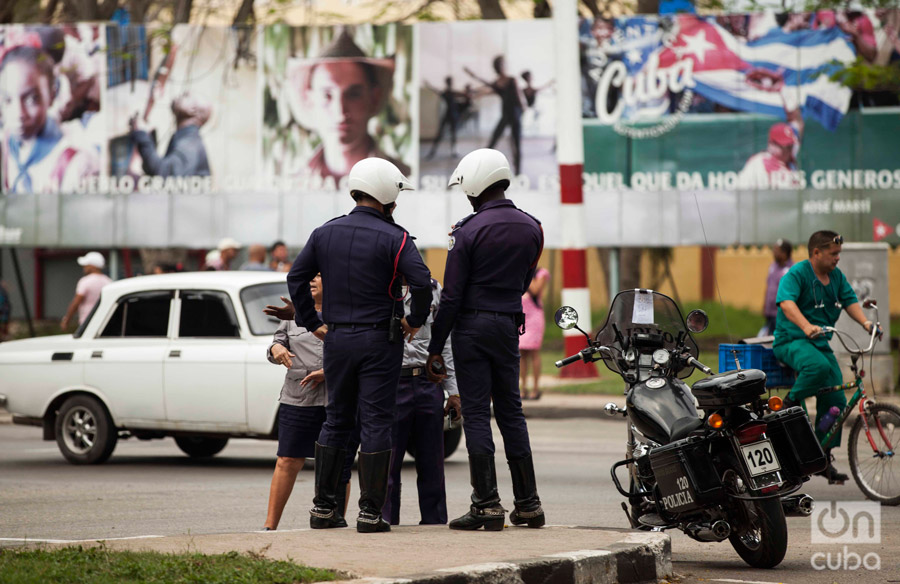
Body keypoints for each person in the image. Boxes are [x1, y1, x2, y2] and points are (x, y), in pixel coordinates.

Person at [286, 157, 432, 533]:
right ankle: (370, 513)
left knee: (336, 419)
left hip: (336, 340)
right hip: (380, 341)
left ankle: (323, 510)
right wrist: (414, 322)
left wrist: (312, 322)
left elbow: (296, 277)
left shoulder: (325, 232)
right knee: (376, 422)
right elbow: (422, 283)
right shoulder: (396, 237)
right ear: (385, 195)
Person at [426, 148, 545, 532]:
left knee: (477, 413)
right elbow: (525, 282)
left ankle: (487, 505)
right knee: (512, 412)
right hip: (509, 326)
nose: (467, 196)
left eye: (467, 189)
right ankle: (528, 505)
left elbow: (452, 296)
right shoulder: (533, 227)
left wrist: (434, 346)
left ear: (477, 183)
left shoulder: (468, 231)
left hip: (472, 328)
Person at [773, 231, 879, 484]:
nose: (837, 258)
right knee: (817, 366)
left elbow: (850, 300)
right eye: (833, 254)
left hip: (820, 343)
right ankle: (789, 405)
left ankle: (820, 456)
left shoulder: (836, 278)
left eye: (838, 253)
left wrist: (867, 324)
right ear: (816, 253)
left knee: (835, 401)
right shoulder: (798, 273)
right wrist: (806, 325)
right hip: (793, 340)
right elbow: (786, 304)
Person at [383, 278, 461, 526]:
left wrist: (454, 391)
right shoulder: (379, 285)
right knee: (387, 462)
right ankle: (384, 520)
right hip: (392, 383)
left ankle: (435, 522)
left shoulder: (432, 288)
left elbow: (444, 341)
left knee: (432, 463)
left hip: (429, 382)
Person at [286, 28, 410, 182]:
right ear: (310, 100)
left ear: (374, 99)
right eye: (327, 95)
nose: (340, 111)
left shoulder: (402, 181)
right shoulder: (295, 185)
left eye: (354, 95)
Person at [262, 275, 328, 531]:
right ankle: (269, 527)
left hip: (334, 398)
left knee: (335, 464)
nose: (312, 280)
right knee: (287, 460)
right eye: (309, 275)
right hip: (297, 397)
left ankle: (333, 523)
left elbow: (351, 348)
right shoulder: (293, 312)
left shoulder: (344, 312)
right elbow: (278, 342)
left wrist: (329, 371)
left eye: (319, 276)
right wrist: (275, 350)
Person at [0, 44, 100, 194]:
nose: (18, 113)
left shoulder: (74, 164)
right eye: (7, 99)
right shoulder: (6, 144)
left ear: (52, 96)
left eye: (32, 99)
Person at [739, 71, 804, 190]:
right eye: (784, 146)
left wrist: (783, 90)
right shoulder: (758, 164)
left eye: (789, 146)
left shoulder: (790, 156)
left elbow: (797, 121)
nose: (788, 150)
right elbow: (741, 195)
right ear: (771, 145)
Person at [463, 56, 524, 175]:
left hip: (515, 116)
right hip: (506, 115)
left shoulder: (512, 80)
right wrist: (474, 87)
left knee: (516, 144)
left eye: (501, 64)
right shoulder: (497, 83)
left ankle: (518, 171)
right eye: (498, 64)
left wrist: (523, 108)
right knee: (494, 140)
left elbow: (520, 97)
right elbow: (487, 87)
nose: (500, 67)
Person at [130, 92, 212, 178]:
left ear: (193, 109)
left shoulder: (189, 144)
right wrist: (147, 136)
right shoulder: (187, 139)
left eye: (185, 95)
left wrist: (141, 135)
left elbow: (165, 175)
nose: (179, 95)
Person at [519, 267, 550, 400]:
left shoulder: (541, 273)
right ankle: (523, 388)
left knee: (534, 352)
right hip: (521, 317)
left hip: (535, 318)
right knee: (521, 354)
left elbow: (536, 290)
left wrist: (525, 273)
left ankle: (536, 388)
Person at [61, 251, 112, 330]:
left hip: (87, 322)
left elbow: (76, 302)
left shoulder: (85, 281)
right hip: (104, 321)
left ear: (92, 266)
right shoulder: (108, 281)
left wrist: (67, 320)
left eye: (86, 265)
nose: (84, 267)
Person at [759, 239, 793, 337]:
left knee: (778, 339)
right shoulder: (772, 267)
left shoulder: (791, 270)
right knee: (767, 339)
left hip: (781, 314)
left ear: (784, 253)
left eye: (776, 250)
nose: (773, 253)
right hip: (770, 313)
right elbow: (768, 287)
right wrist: (765, 305)